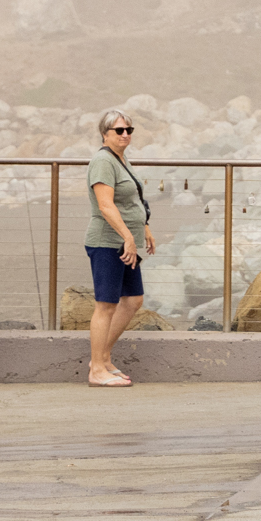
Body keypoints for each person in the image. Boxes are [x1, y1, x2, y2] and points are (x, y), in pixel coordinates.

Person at [86, 112, 158, 387]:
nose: (125, 134)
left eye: (129, 129)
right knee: (105, 305)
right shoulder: (103, 162)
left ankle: (102, 358)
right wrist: (128, 237)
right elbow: (106, 205)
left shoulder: (120, 159)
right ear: (105, 134)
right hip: (107, 241)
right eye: (119, 130)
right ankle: (96, 371)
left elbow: (131, 200)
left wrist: (144, 228)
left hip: (125, 240)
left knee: (133, 299)